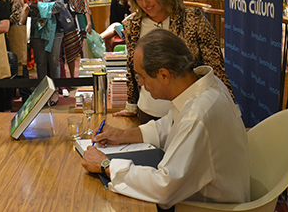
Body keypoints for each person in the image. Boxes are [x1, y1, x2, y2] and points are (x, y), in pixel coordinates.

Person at [82, 29, 249, 209]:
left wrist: (106, 165)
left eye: (142, 76)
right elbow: (169, 126)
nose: (140, 83)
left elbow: (164, 188)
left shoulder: (198, 114)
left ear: (164, 75)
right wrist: (123, 135)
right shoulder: (204, 86)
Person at [118, 0, 230, 122]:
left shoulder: (193, 19)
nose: (145, 3)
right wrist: (131, 105)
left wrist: (228, 110)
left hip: (190, 114)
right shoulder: (132, 25)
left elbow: (216, 69)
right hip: (148, 113)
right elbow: (132, 68)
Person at [22, 0, 64, 105]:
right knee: (40, 61)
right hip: (38, 30)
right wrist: (42, 8)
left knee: (54, 60)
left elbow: (60, 5)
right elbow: (31, 11)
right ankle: (43, 90)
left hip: (55, 30)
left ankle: (55, 90)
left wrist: (40, 6)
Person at [59, 0, 93, 78]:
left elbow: (86, 5)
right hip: (69, 21)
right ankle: (72, 77)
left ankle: (85, 75)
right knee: (70, 50)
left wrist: (89, 22)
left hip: (81, 20)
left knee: (83, 48)